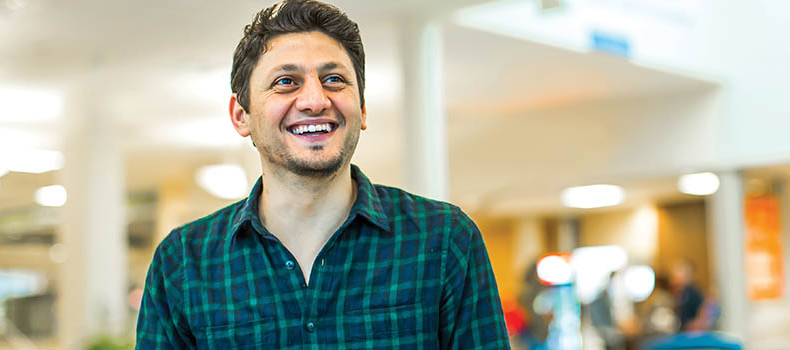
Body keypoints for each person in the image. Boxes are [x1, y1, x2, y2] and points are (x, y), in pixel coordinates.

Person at [135, 1, 510, 349]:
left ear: (362, 110)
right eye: (286, 82)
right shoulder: (183, 262)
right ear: (241, 116)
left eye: (334, 79)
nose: (315, 100)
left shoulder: (445, 239)